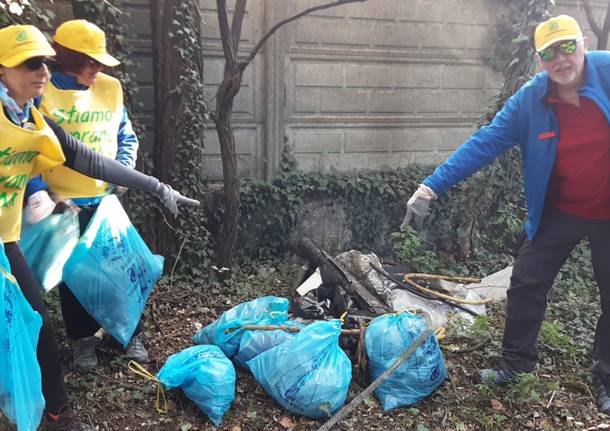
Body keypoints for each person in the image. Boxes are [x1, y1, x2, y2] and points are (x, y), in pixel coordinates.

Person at [400, 15, 610, 414]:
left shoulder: (609, 72)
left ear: (583, 42)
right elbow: (484, 143)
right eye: (549, 53)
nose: (561, 58)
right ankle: (516, 368)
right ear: (539, 59)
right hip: (559, 209)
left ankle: (607, 375)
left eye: (567, 46)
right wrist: (431, 185)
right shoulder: (530, 100)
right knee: (525, 284)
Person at [0, 24, 198, 430]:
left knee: (35, 328)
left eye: (44, 62)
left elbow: (87, 158)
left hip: (8, 240)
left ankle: (57, 418)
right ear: (2, 69)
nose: (41, 71)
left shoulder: (31, 117)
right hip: (24, 229)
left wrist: (157, 187)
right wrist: (41, 194)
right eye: (29, 64)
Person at [25, 19, 147, 371]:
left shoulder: (110, 88)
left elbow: (127, 136)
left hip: (107, 202)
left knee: (122, 270)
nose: (98, 69)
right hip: (63, 205)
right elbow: (25, 150)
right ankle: (83, 342)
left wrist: (123, 168)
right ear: (67, 58)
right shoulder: (40, 93)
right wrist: (37, 193)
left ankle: (131, 333)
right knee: (74, 277)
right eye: (91, 61)